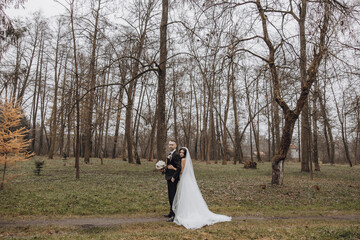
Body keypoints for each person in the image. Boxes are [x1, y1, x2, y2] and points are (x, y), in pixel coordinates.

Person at [171, 147, 231, 229]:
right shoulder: (186, 160)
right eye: (180, 152)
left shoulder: (183, 160)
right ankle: (189, 210)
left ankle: (186, 212)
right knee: (189, 195)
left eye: (182, 153)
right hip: (187, 178)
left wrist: (173, 168)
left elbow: (181, 171)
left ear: (185, 154)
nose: (181, 154)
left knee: (186, 195)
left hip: (185, 179)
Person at [161, 140, 181, 222]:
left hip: (173, 178)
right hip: (168, 177)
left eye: (172, 145)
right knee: (170, 195)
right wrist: (163, 171)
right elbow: (169, 166)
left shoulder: (176, 155)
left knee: (173, 196)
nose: (170, 146)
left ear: (175, 146)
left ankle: (174, 215)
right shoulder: (170, 154)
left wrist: (174, 177)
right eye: (169, 145)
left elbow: (179, 167)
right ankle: (170, 212)